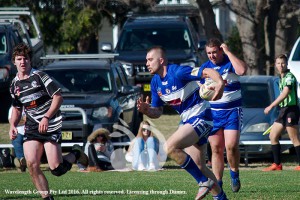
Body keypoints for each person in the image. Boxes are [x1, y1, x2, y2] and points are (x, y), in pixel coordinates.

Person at [137, 46, 227, 200]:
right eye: (146, 60)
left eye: (150, 59)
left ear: (161, 60)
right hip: (188, 120)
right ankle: (221, 197)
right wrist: (147, 111)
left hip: (202, 115)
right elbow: (158, 112)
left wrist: (219, 82)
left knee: (169, 147)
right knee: (199, 166)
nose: (147, 63)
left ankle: (203, 182)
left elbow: (206, 71)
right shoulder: (155, 83)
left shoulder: (178, 72)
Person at [9, 43, 88, 200]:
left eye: (25, 58)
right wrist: (12, 125)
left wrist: (46, 117)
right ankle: (47, 197)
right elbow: (17, 108)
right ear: (14, 62)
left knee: (56, 169)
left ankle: (76, 153)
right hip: (31, 126)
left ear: (30, 61)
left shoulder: (40, 76)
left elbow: (58, 97)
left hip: (50, 123)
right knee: (32, 164)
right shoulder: (14, 85)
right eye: (19, 59)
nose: (22, 62)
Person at [196, 38, 247, 192]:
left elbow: (242, 71)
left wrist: (228, 51)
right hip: (214, 113)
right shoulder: (206, 68)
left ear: (220, 50)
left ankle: (234, 174)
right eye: (209, 53)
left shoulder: (229, 62)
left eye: (214, 52)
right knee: (216, 148)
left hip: (232, 111)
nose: (211, 56)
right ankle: (218, 183)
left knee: (231, 146)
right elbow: (199, 86)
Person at [263, 54, 300, 171]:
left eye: (283, 63)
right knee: (273, 136)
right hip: (283, 111)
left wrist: (271, 106)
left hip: (291, 110)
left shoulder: (289, 77)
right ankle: (277, 164)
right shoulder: (281, 78)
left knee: (294, 138)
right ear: (275, 65)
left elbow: (285, 94)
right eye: (278, 63)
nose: (281, 65)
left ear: (287, 64)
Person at [8, 106, 27, 172]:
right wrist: (23, 120)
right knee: (17, 143)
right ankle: (21, 160)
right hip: (18, 132)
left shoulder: (29, 106)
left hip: (29, 131)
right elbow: (11, 122)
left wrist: (18, 120)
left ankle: (22, 162)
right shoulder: (13, 108)